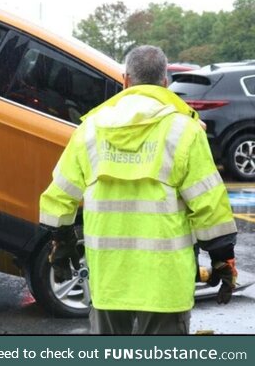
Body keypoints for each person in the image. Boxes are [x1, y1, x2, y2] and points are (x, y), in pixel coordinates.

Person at [39, 45, 238, 335]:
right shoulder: (184, 130)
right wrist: (223, 258)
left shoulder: (90, 129)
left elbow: (59, 196)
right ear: (165, 82)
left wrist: (61, 243)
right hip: (165, 285)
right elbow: (209, 203)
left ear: (125, 80)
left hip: (109, 280)